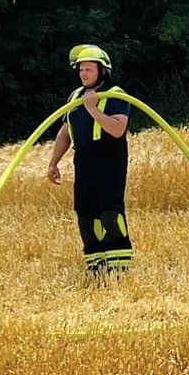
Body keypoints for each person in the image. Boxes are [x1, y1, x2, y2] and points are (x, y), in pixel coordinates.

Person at [46, 44, 133, 276]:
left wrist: (93, 109)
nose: (83, 74)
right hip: (83, 159)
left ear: (102, 71)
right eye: (81, 70)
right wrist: (54, 162)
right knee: (86, 214)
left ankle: (119, 268)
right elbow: (66, 130)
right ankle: (96, 268)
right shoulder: (75, 96)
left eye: (88, 69)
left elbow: (117, 129)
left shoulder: (116, 94)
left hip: (109, 158)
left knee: (110, 214)